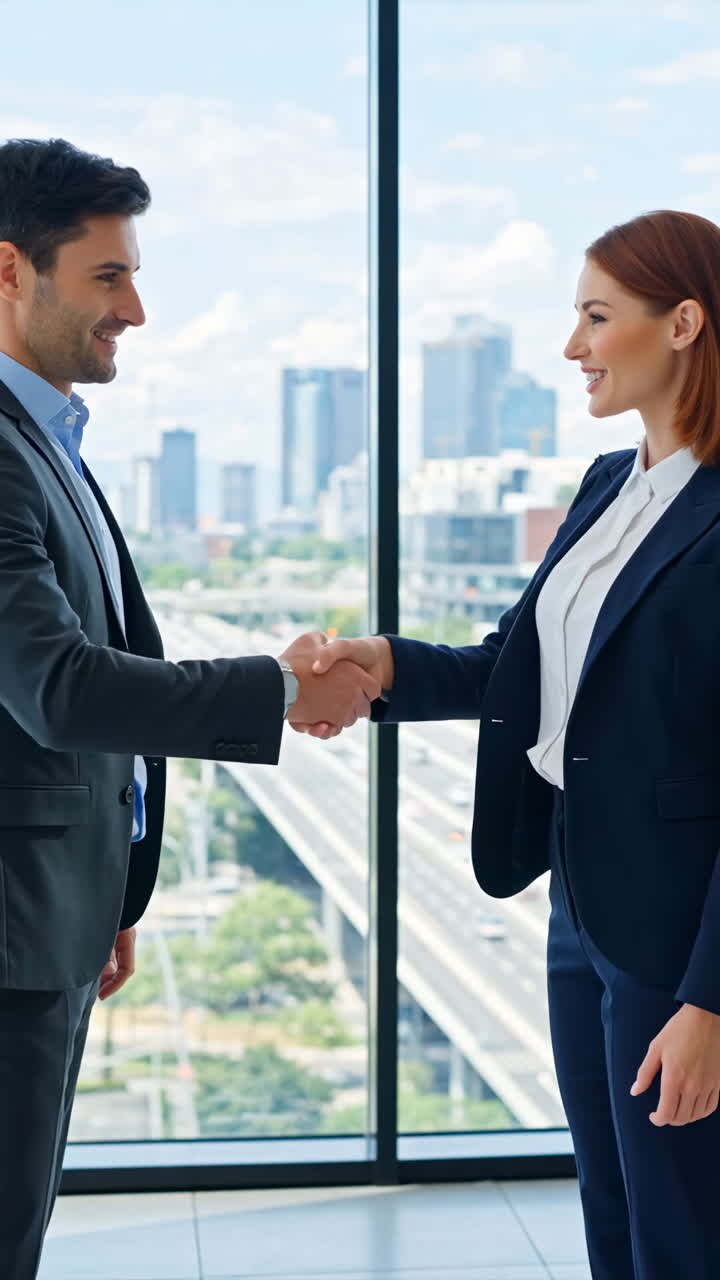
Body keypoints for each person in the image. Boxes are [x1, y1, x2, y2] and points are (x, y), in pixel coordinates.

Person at [309, 209, 720, 1279]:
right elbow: (518, 668)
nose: (573, 346)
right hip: (581, 897)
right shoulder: (606, 487)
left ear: (684, 323)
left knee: (685, 1216)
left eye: (596, 316)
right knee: (612, 1195)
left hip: (681, 932)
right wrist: (381, 666)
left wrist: (712, 999)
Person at [0, 136, 378, 1280]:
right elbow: (59, 687)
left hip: (48, 915)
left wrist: (108, 880)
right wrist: (278, 686)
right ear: (9, 271)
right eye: (107, 278)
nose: (138, 311)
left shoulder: (44, 439)